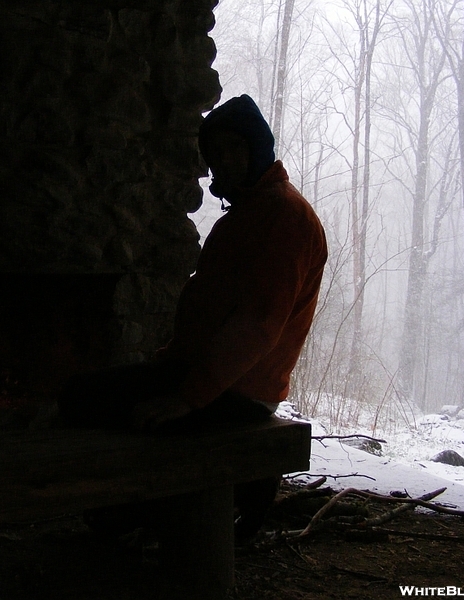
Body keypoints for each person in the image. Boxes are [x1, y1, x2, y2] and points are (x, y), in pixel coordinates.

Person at [58, 94, 327, 540]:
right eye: (215, 154)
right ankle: (126, 513)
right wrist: (172, 366)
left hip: (238, 395)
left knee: (98, 402)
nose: (222, 162)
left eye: (233, 150)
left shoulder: (283, 217)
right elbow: (210, 310)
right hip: (210, 382)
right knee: (88, 394)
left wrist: (188, 396)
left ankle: (157, 515)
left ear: (257, 148)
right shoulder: (248, 214)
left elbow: (258, 325)